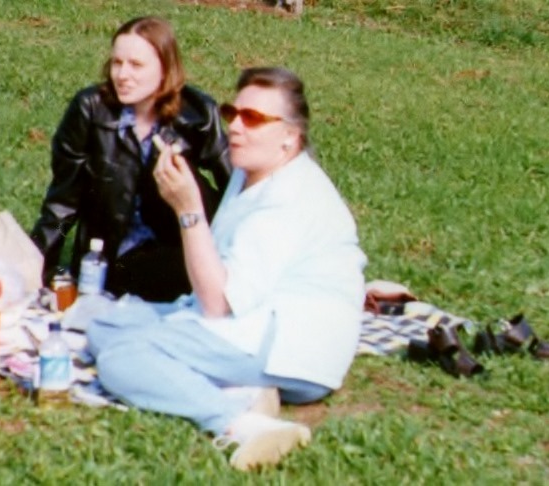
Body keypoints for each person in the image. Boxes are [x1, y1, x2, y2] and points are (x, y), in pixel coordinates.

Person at [86, 67, 367, 471]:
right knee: (106, 324)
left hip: (291, 344)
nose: (236, 126)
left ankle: (240, 423)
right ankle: (247, 390)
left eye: (254, 119)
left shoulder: (288, 198)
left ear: (291, 135)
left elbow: (217, 302)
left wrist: (188, 209)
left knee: (120, 358)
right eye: (233, 112)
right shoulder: (253, 171)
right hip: (253, 323)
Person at [30, 16, 232, 302]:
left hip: (177, 253)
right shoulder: (91, 110)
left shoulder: (197, 114)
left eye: (136, 65)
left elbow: (238, 188)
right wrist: (36, 268)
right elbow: (63, 204)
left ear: (165, 69)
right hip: (111, 259)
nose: (123, 75)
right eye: (117, 63)